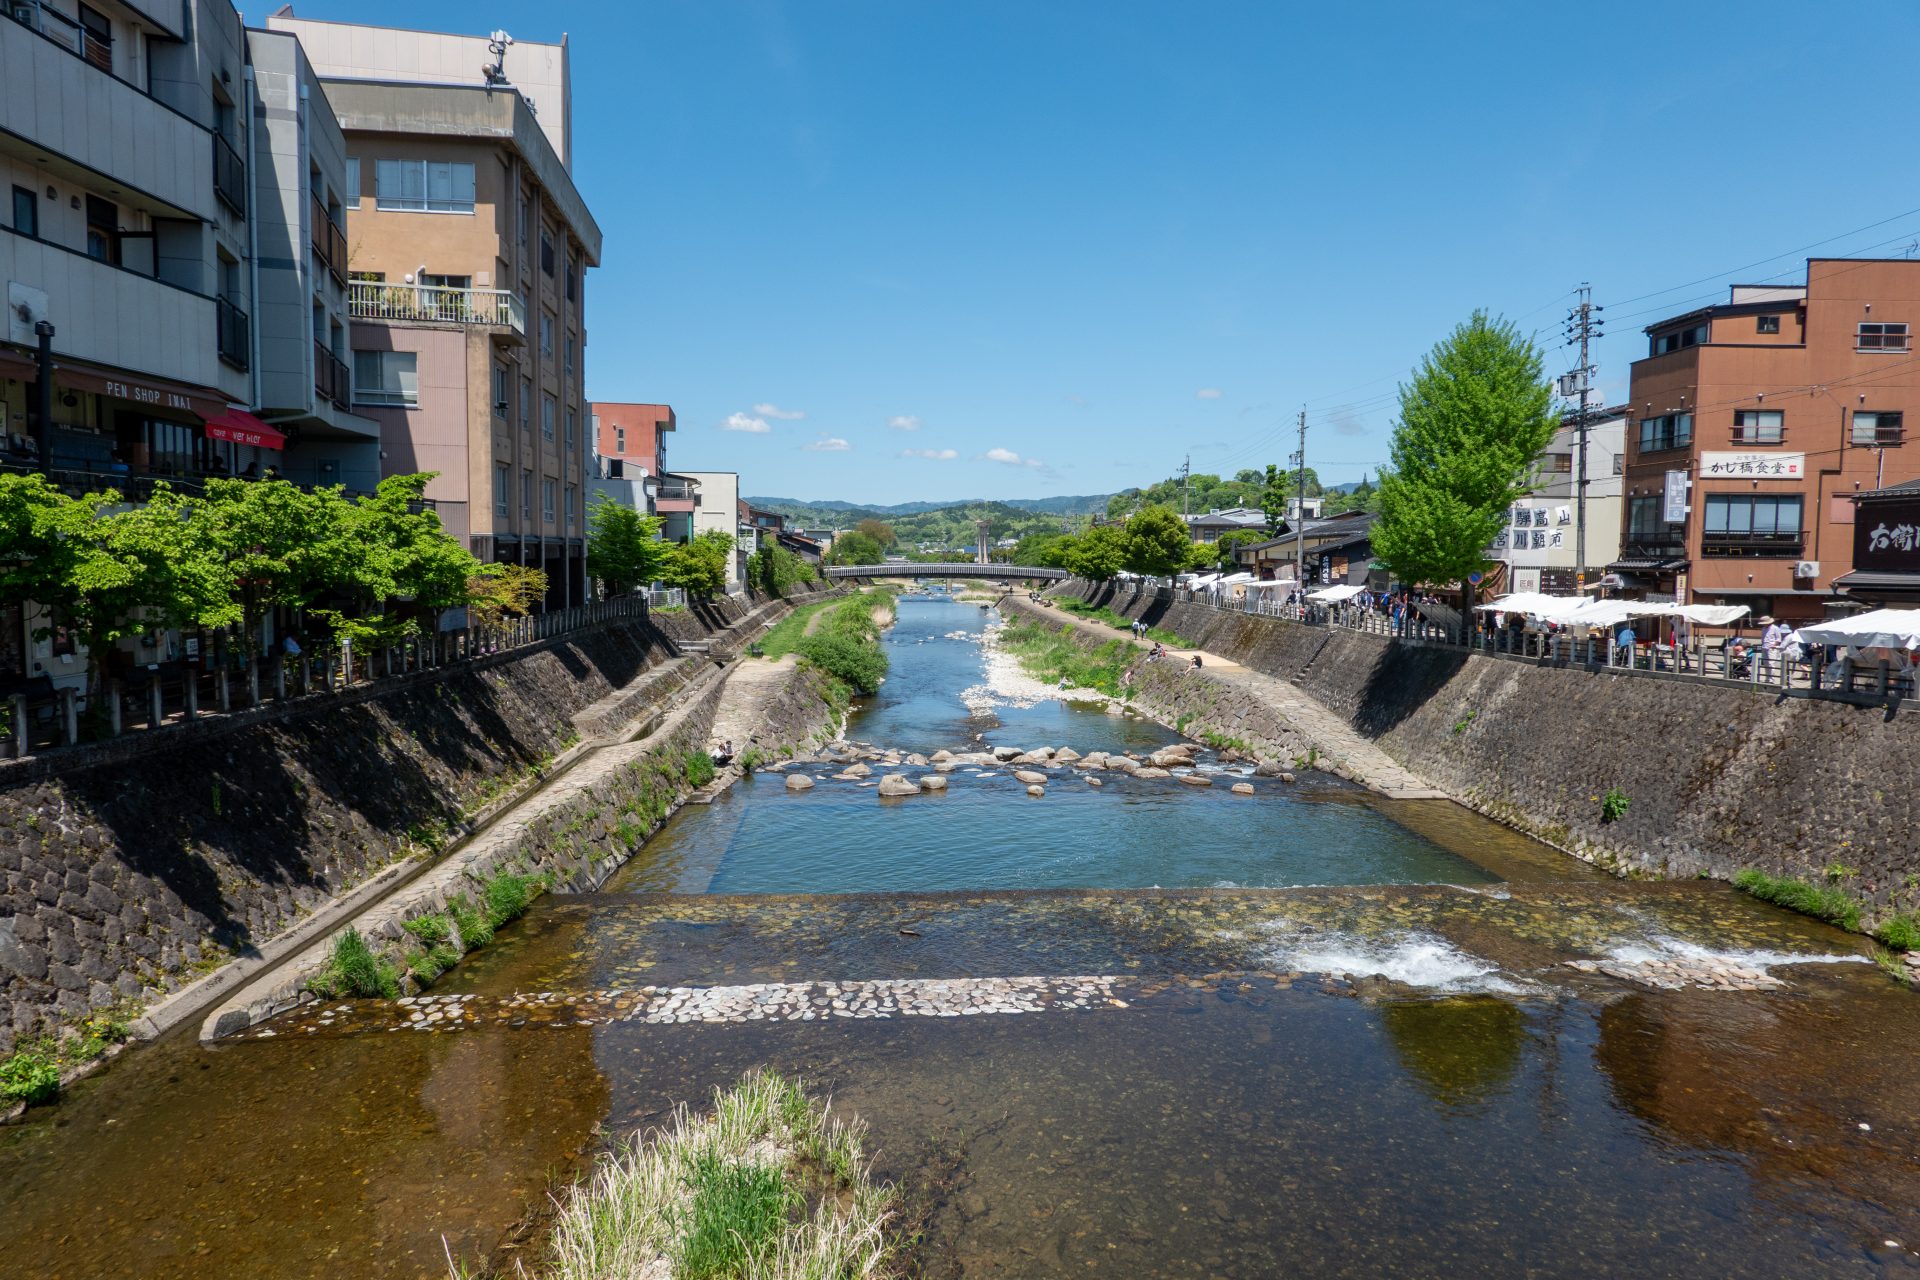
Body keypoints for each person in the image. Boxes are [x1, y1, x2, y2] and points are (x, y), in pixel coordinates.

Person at [1759, 615, 1790, 682]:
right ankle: (1767, 678)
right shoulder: (1763, 629)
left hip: (1771, 648)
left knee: (1771, 663)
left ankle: (1771, 679)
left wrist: (1774, 645)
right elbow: (1763, 638)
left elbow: (1778, 639)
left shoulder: (1775, 628)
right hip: (1764, 647)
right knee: (1765, 663)